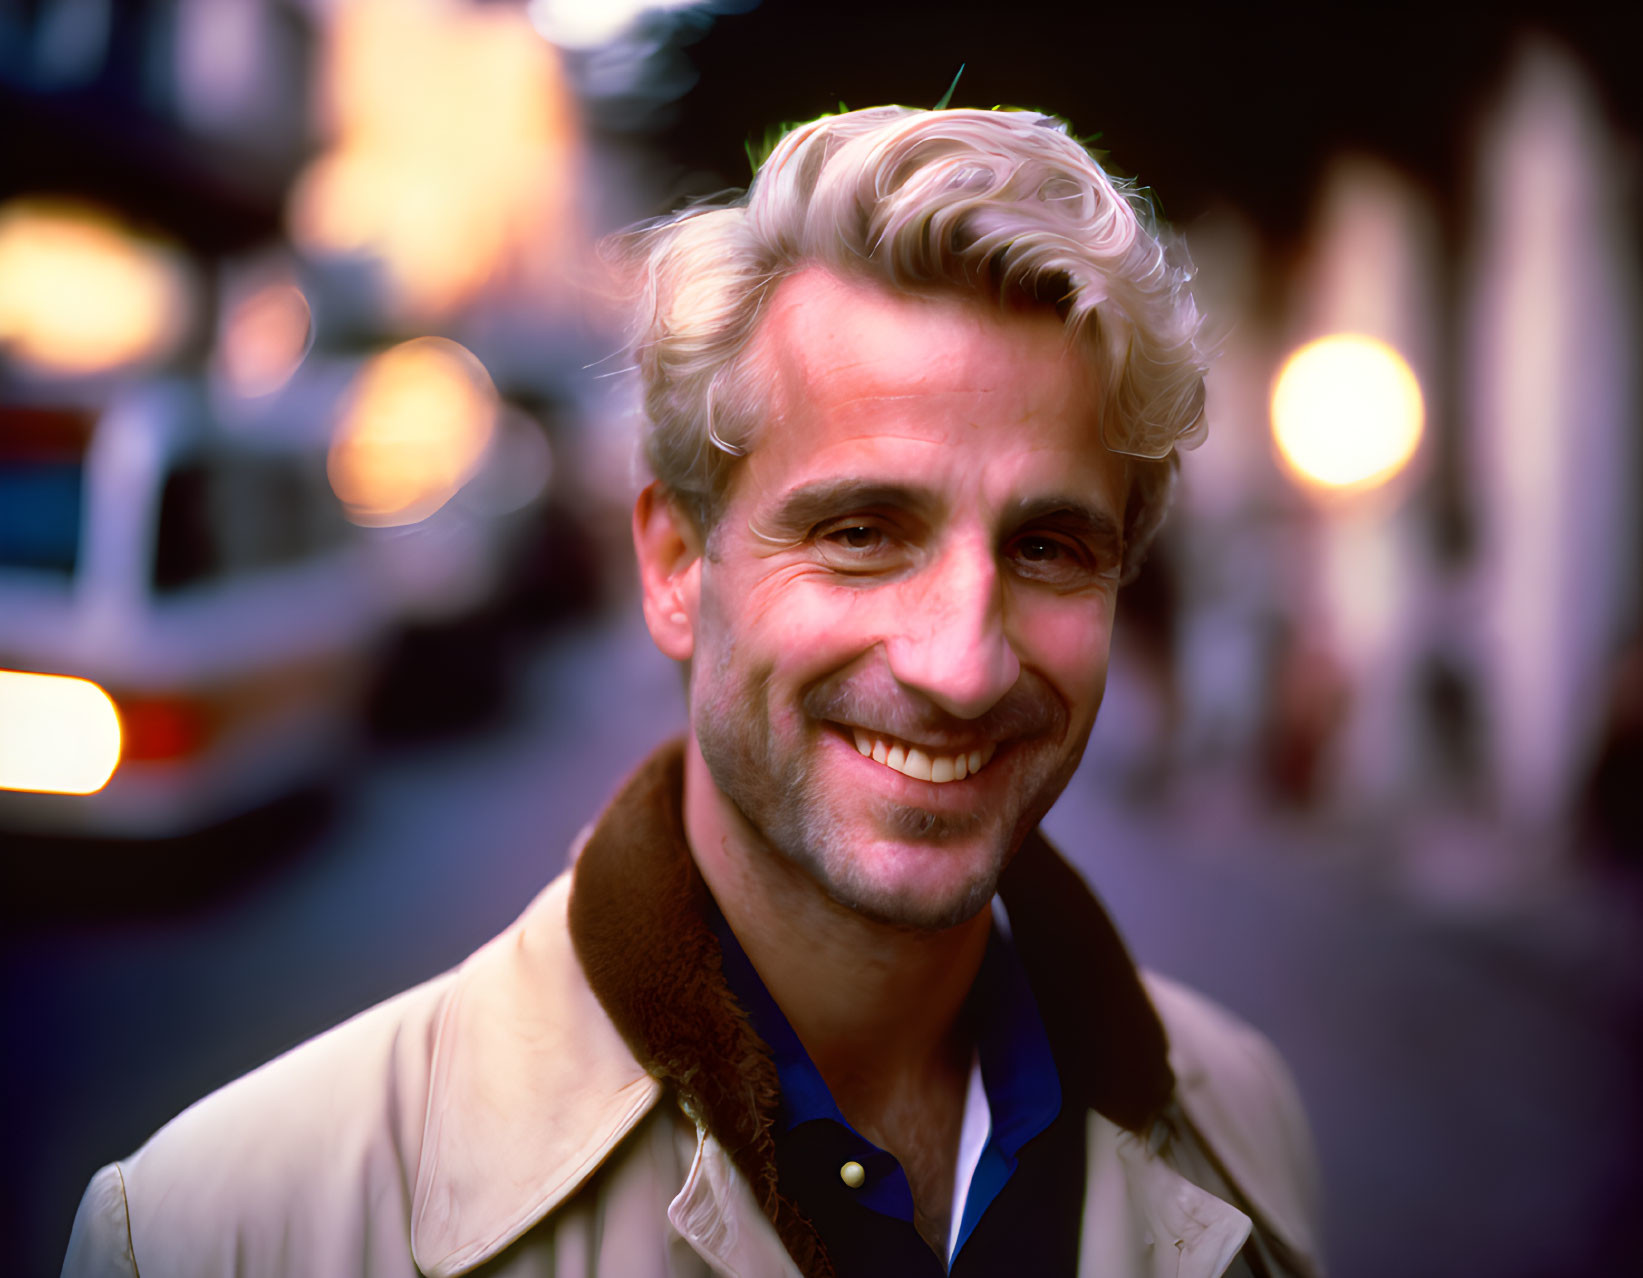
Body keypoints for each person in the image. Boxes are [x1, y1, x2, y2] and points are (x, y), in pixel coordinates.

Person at [63, 106, 1323, 1278]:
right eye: (862, 530)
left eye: (1047, 548)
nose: (961, 662)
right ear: (673, 563)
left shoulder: (1243, 1120)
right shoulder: (217, 1228)